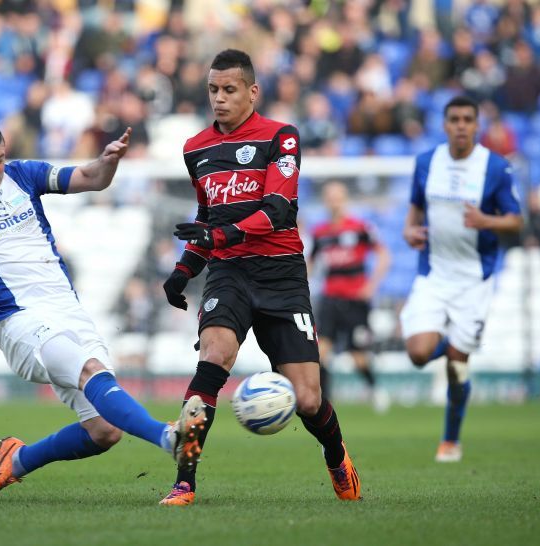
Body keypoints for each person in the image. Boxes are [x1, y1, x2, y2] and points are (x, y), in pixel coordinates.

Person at [0, 118, 207, 502]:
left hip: (68, 310)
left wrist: (109, 160)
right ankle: (169, 437)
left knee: (105, 430)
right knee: (90, 372)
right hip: (20, 322)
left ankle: (15, 460)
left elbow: (91, 178)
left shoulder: (23, 175)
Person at [161, 49, 361, 506]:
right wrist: (183, 270)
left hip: (281, 275)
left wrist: (220, 234)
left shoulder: (281, 136)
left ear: (252, 92)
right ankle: (184, 482)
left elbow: (278, 209)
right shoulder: (196, 148)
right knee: (214, 357)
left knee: (308, 400)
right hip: (229, 272)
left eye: (229, 90)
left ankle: (336, 456)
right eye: (213, 90)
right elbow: (205, 220)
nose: (219, 98)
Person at [401, 95, 522, 463]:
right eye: (454, 119)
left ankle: (450, 441)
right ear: (445, 124)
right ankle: (453, 347)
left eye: (468, 119)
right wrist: (409, 231)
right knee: (419, 353)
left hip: (475, 280)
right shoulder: (426, 163)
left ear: (477, 125)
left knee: (456, 366)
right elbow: (414, 209)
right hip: (434, 275)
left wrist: (488, 221)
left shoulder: (496, 168)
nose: (461, 125)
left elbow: (516, 221)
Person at [309, 180, 391, 412]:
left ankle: (375, 389)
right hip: (330, 298)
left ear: (345, 199)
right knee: (321, 351)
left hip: (355, 299)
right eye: (330, 197)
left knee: (357, 355)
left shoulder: (360, 227)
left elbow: (384, 255)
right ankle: (325, 403)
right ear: (325, 200)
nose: (334, 201)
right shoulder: (320, 232)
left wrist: (372, 285)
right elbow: (311, 263)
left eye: (338, 196)